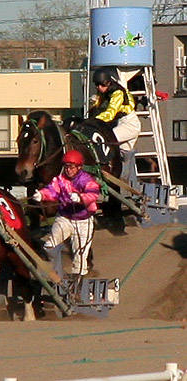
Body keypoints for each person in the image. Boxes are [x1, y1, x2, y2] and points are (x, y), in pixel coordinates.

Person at [32, 150, 100, 286]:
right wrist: (42, 195)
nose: (68, 170)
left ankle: (77, 288)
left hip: (84, 222)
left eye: (71, 167)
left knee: (80, 255)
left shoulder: (86, 180)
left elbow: (94, 194)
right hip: (65, 219)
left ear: (79, 167)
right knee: (50, 246)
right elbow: (52, 191)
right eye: (66, 166)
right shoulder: (60, 180)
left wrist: (81, 198)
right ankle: (57, 275)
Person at [89, 67, 141, 166]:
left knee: (106, 139)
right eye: (97, 85)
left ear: (108, 83)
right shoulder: (105, 91)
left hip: (130, 124)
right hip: (120, 122)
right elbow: (96, 105)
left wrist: (93, 121)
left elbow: (110, 114)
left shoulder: (118, 93)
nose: (99, 87)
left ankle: (100, 164)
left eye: (102, 85)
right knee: (123, 158)